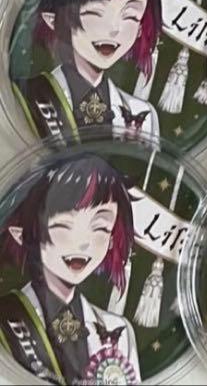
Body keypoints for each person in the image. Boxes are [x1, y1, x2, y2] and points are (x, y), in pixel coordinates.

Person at [0, 155, 141, 384]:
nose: (83, 243)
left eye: (100, 227)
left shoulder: (118, 330)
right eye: (64, 225)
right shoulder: (6, 317)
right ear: (23, 234)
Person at [14, 0, 161, 143]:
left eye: (130, 16)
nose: (114, 29)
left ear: (140, 28)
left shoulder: (143, 114)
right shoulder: (27, 94)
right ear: (53, 19)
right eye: (95, 12)